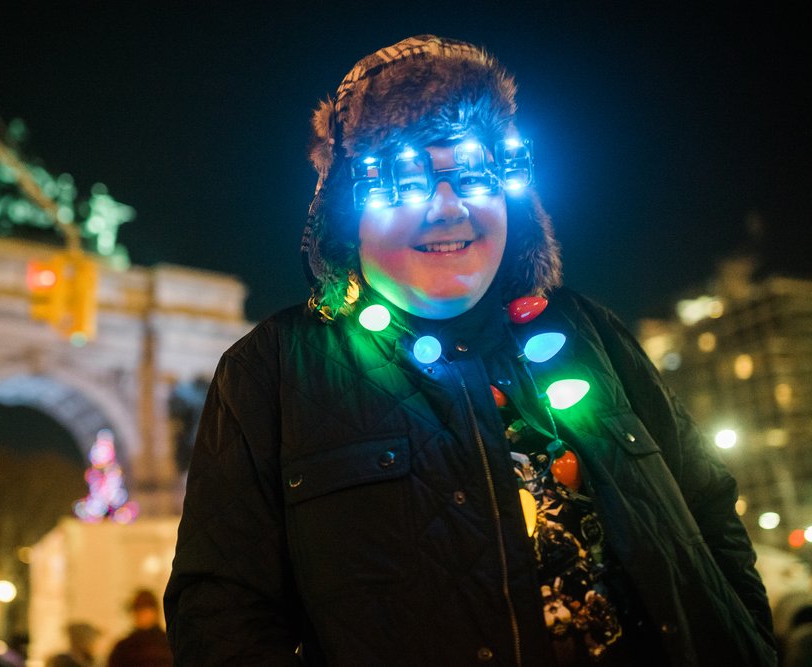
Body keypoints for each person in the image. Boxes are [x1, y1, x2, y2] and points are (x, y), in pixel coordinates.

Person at [164, 34, 777, 666]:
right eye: (402, 178)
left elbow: (709, 513)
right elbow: (220, 616)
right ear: (345, 209)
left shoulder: (590, 333)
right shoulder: (270, 373)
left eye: (479, 172)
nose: (448, 207)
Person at [106, 589, 172, 667]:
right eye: (140, 611)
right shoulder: (124, 648)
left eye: (145, 610)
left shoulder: (123, 648)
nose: (143, 616)